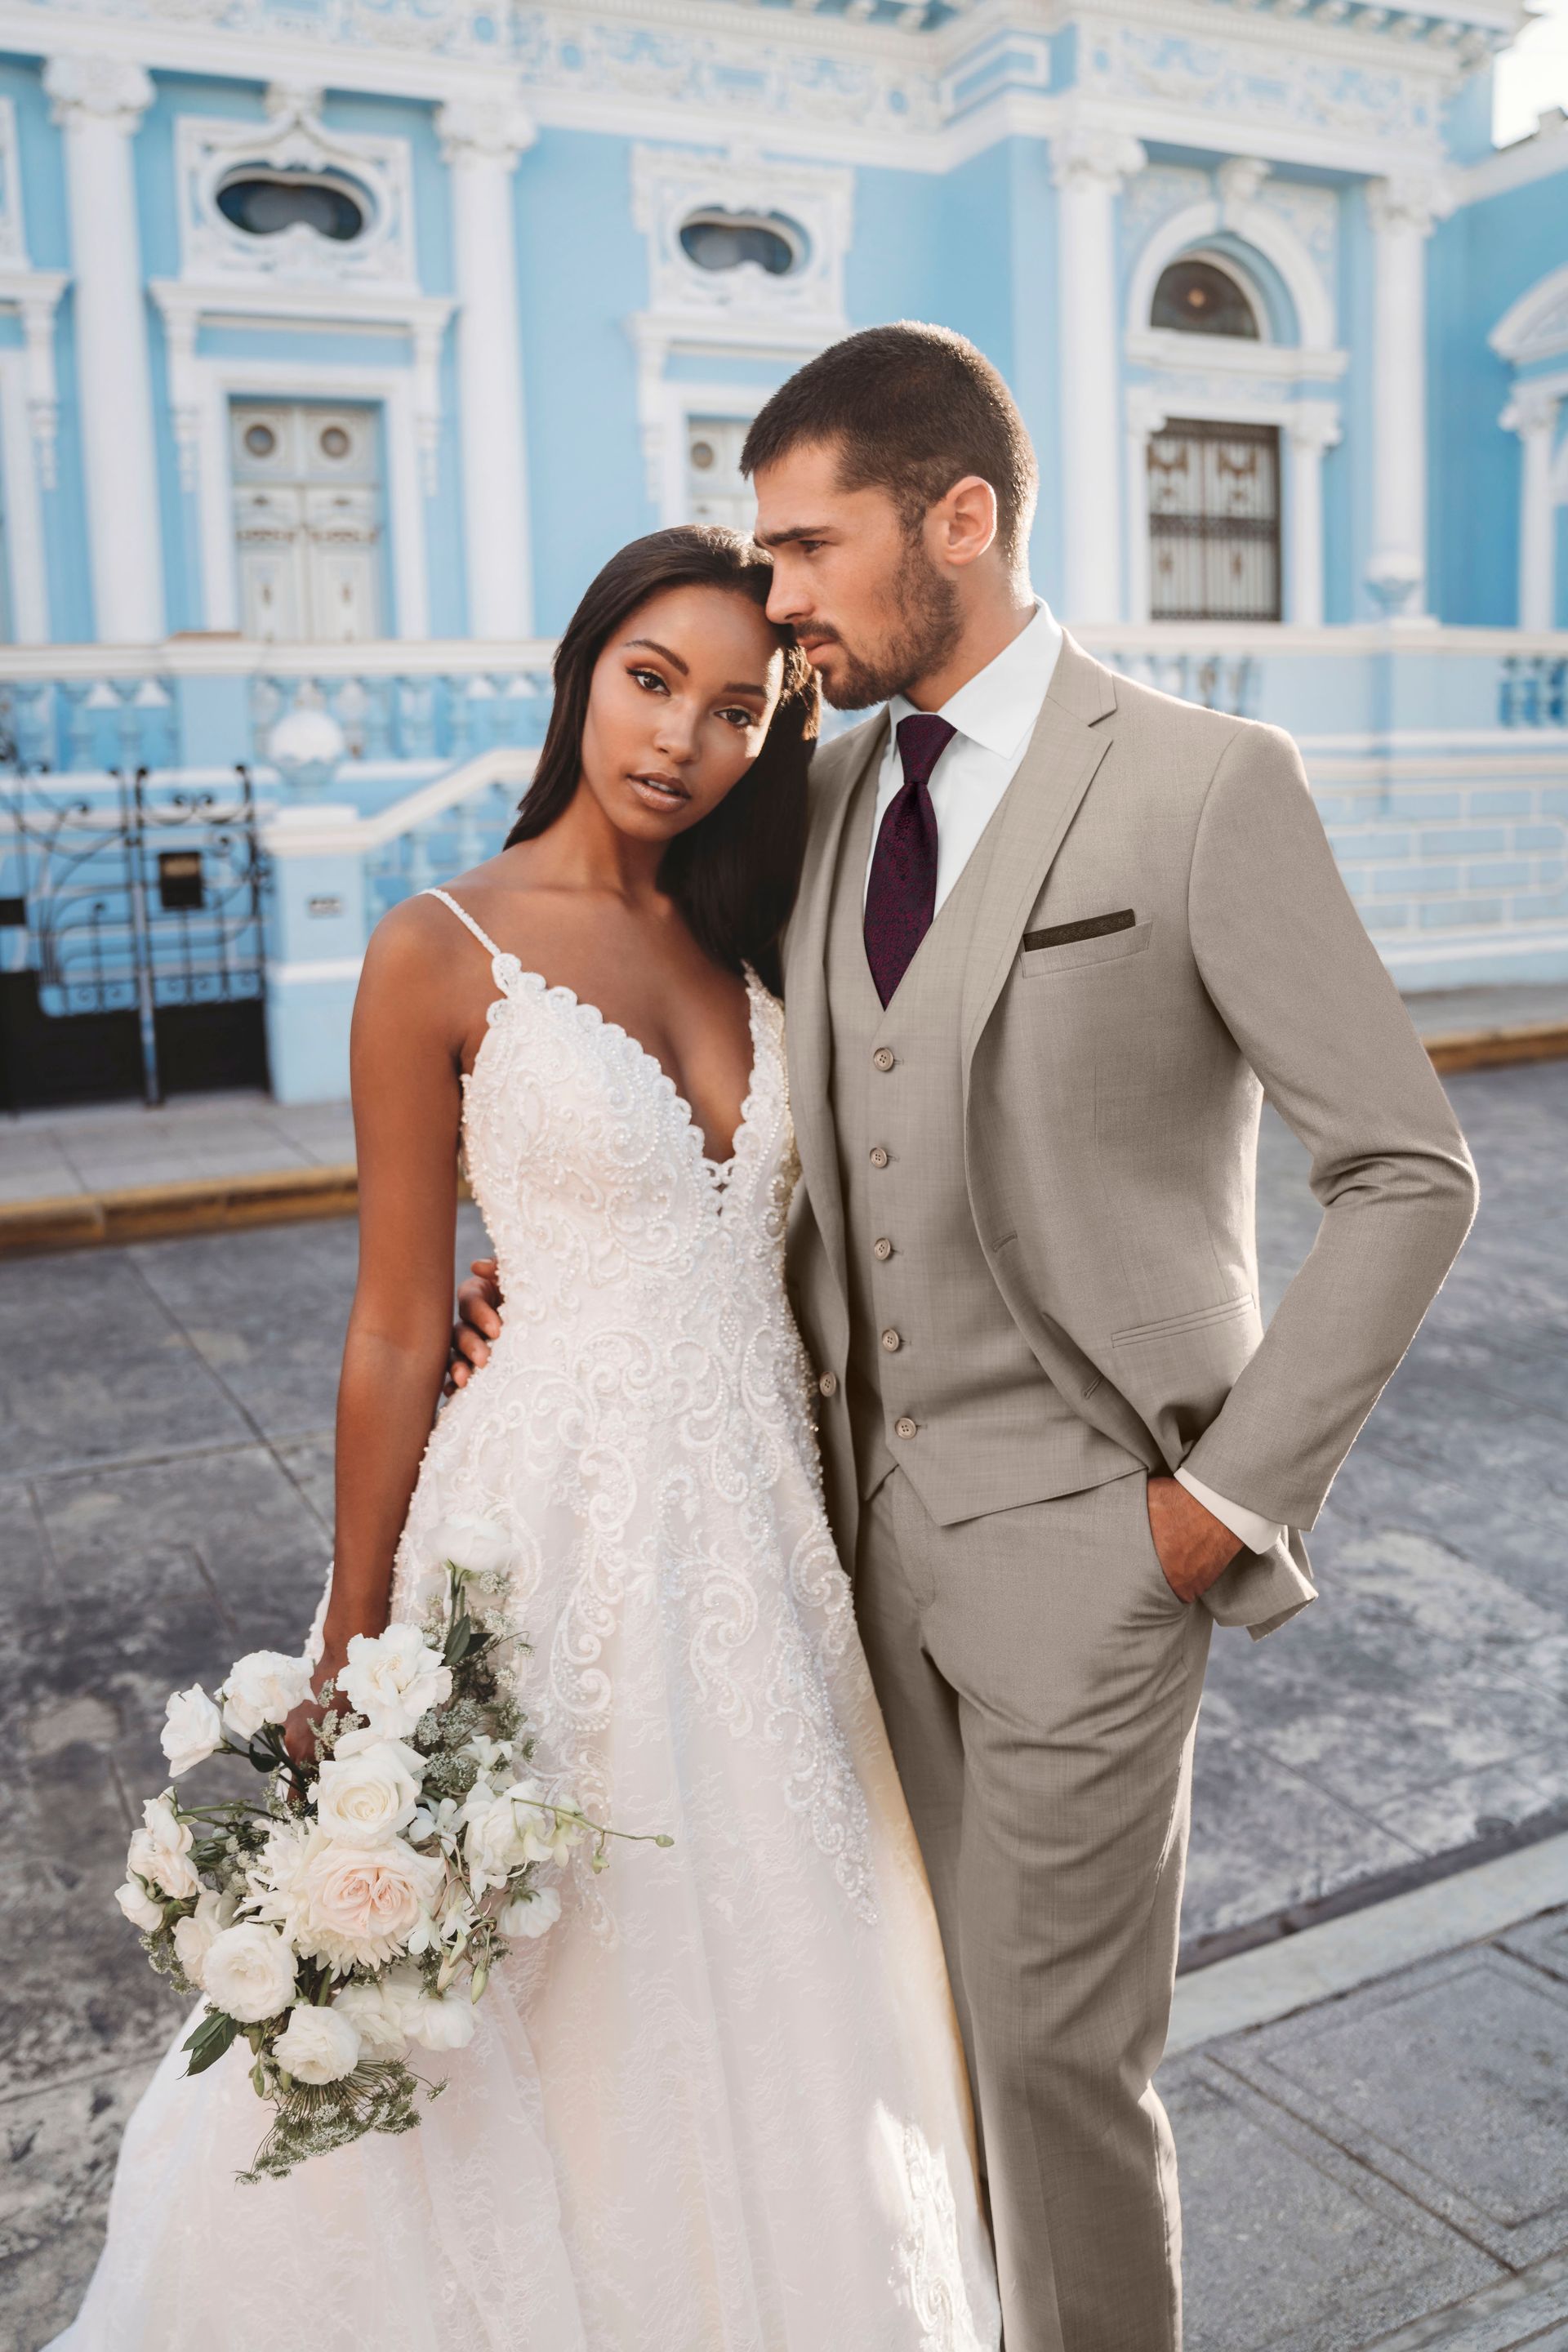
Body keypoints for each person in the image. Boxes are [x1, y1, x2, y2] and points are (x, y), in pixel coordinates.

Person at [453, 324, 1479, 2352]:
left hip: (1098, 1553)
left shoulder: (1202, 784)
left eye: (807, 547)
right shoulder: (816, 794)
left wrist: (1213, 1507)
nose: (778, 600)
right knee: (909, 2054)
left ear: (965, 517)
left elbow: (1410, 1171)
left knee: (1059, 2079)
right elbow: (691, 1096)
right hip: (844, 1559)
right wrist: (542, 1271)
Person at [50, 527, 1002, 2352]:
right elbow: (401, 1316)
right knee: (528, 1965)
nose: (682, 740)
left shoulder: (758, 939)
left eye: (740, 707)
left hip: (761, 1540)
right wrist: (345, 1642)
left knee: (779, 1972)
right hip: (541, 1528)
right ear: (581, 675)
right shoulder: (439, 947)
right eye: (651, 680)